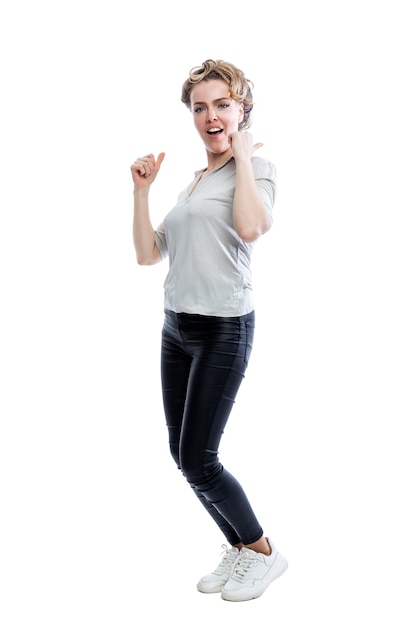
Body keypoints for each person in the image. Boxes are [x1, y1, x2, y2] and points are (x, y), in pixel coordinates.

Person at [130, 59, 288, 602]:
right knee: (183, 455)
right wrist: (142, 191)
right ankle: (241, 548)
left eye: (222, 104)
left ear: (241, 111)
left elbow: (251, 227)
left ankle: (263, 551)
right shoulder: (194, 182)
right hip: (176, 328)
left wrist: (244, 155)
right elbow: (148, 256)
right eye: (200, 107)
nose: (210, 116)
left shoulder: (257, 168)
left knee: (200, 458)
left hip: (223, 328)